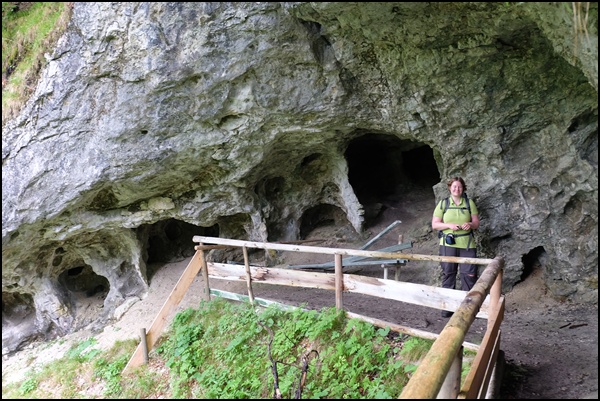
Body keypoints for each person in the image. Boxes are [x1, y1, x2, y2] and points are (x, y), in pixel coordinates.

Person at [431, 177, 480, 318]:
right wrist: (449, 226)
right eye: (454, 187)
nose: (456, 189)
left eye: (459, 187)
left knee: (469, 275)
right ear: (449, 188)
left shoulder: (469, 203)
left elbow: (476, 223)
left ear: (463, 188)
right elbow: (435, 224)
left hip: (467, 243)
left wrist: (470, 224)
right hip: (448, 244)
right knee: (448, 274)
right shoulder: (443, 204)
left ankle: (469, 308)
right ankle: (447, 306)